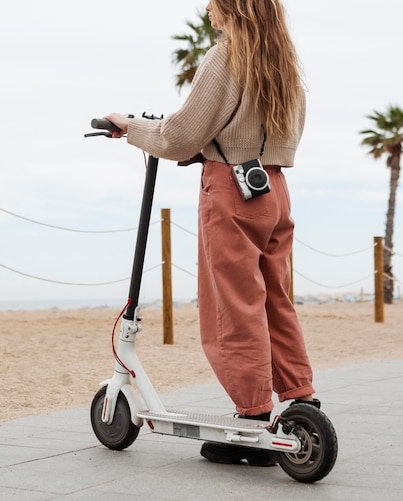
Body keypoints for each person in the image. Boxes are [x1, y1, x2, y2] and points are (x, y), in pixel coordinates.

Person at [105, 0, 318, 467]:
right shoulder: (283, 61)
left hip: (231, 189)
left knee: (234, 304)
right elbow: (285, 133)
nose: (206, 9)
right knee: (274, 299)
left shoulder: (227, 56)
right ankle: (300, 399)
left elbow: (180, 135)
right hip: (274, 186)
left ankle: (253, 417)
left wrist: (131, 127)